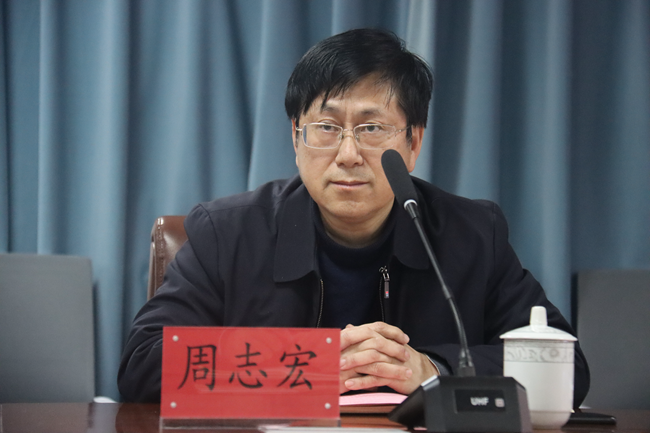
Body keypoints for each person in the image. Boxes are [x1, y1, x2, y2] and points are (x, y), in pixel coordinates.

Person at [118, 28, 589, 404]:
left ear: (414, 142)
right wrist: (309, 364)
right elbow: (143, 365)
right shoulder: (227, 233)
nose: (348, 154)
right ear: (296, 137)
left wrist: (433, 369)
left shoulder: (472, 234)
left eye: (371, 128)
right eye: (326, 127)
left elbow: (568, 370)